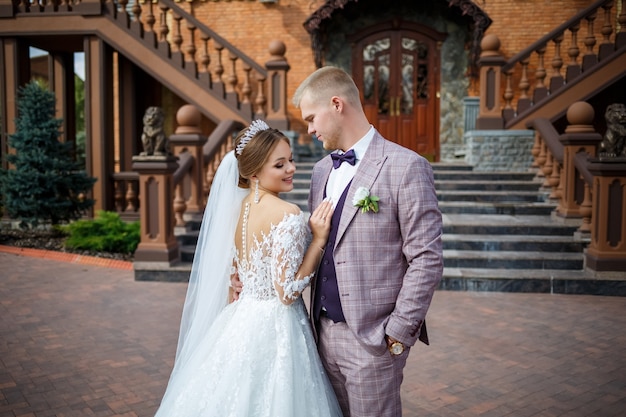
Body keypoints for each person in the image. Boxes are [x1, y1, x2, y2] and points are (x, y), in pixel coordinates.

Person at [154, 120, 343, 417]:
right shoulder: (287, 214)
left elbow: (239, 266)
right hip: (277, 327)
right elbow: (287, 293)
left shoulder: (240, 208)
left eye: (291, 160)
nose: (291, 169)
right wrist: (318, 240)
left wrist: (235, 279)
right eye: (280, 165)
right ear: (254, 172)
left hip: (242, 317)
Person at [292, 66, 444, 417]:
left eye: (312, 118)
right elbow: (318, 244)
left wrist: (398, 333)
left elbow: (426, 258)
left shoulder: (406, 166)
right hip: (321, 335)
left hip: (373, 341)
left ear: (336, 104)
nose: (310, 129)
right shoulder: (319, 172)